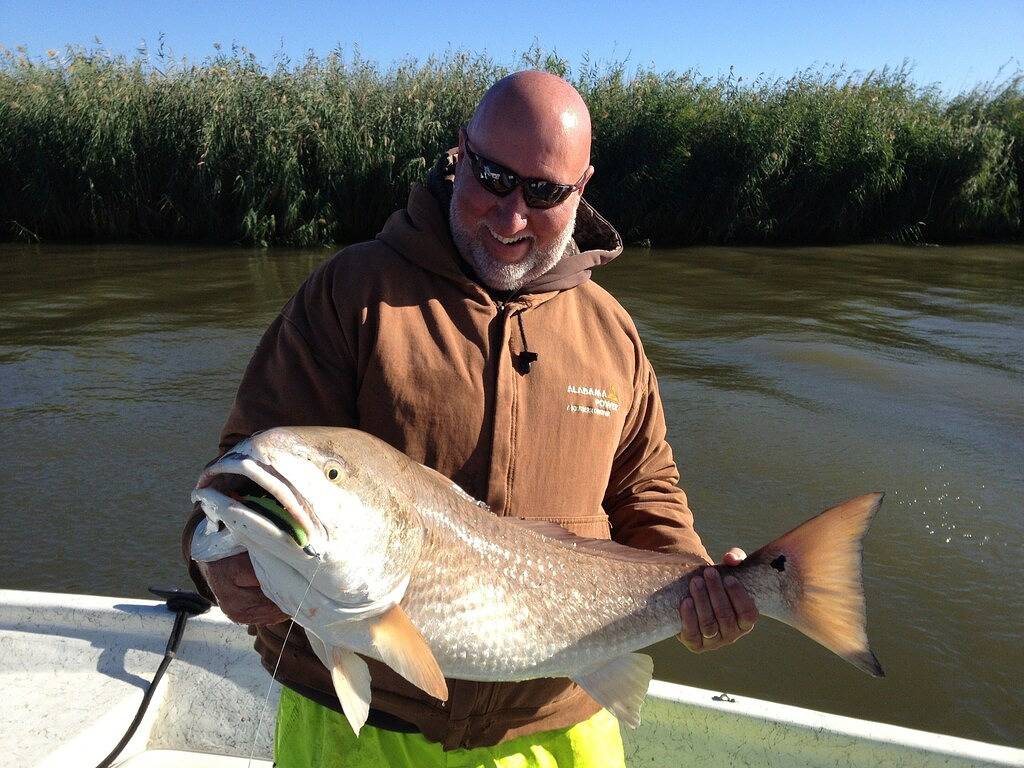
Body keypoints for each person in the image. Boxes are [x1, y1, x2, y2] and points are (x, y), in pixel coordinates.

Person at [183, 70, 758, 767]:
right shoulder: (352, 293)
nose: (511, 215)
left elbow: (646, 491)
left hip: (560, 730)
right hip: (361, 731)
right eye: (491, 176)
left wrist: (698, 587)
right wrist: (215, 562)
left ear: (583, 188)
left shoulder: (613, 334)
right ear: (460, 152)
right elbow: (246, 464)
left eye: (545, 192)